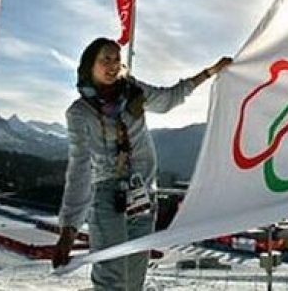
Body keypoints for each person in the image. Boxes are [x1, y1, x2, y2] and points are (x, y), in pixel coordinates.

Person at [51, 37, 231, 290]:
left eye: (116, 59)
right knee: (111, 278)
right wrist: (69, 228)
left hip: (143, 195)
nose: (113, 65)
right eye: (105, 59)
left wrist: (209, 72)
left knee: (134, 280)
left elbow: (168, 99)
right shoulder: (79, 112)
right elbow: (80, 167)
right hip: (107, 197)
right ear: (90, 65)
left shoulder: (132, 90)